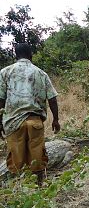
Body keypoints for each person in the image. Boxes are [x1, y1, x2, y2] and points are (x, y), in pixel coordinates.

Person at [0, 43, 60, 185]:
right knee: (37, 158)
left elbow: (0, 99)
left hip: (14, 123)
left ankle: (19, 189)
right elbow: (52, 99)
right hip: (35, 122)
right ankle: (38, 186)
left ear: (16, 55)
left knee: (16, 161)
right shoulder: (40, 73)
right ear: (31, 55)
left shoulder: (5, 72)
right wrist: (55, 120)